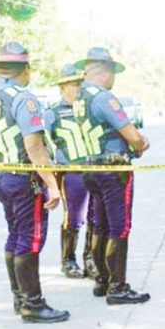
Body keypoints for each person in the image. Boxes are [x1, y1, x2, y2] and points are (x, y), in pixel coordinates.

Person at [0, 42, 69, 323]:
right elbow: (34, 145)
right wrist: (52, 183)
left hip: (2, 175)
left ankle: (20, 297)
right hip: (24, 180)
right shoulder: (24, 98)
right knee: (30, 239)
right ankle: (33, 303)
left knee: (15, 235)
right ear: (25, 69)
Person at [74, 47, 150, 304]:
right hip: (113, 169)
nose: (113, 78)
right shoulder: (104, 97)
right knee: (119, 226)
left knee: (100, 225)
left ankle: (102, 280)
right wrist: (140, 143)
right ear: (103, 71)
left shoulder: (79, 97)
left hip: (91, 168)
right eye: (112, 73)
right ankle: (118, 286)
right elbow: (132, 136)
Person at [44, 64, 95, 279]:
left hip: (94, 170)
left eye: (81, 84)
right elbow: (44, 145)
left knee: (95, 216)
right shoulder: (52, 113)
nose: (79, 88)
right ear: (63, 86)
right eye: (75, 84)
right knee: (74, 217)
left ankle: (91, 259)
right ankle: (68, 259)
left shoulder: (89, 109)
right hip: (70, 173)